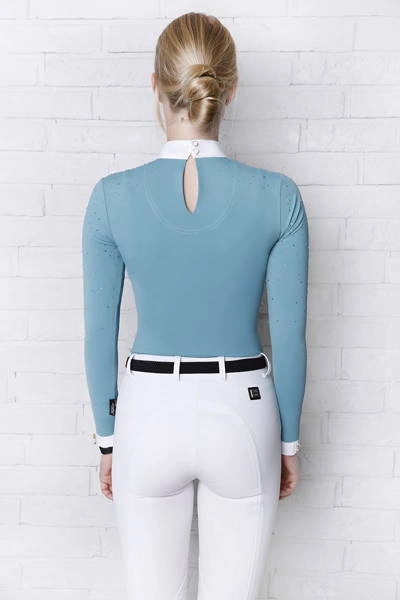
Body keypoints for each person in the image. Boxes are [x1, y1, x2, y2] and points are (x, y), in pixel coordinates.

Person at [82, 11, 309, 600]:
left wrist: (109, 442)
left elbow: (98, 336)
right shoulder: (279, 197)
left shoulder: (110, 198)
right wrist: (288, 445)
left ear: (155, 85)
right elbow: (289, 338)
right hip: (244, 415)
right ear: (230, 90)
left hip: (147, 413)